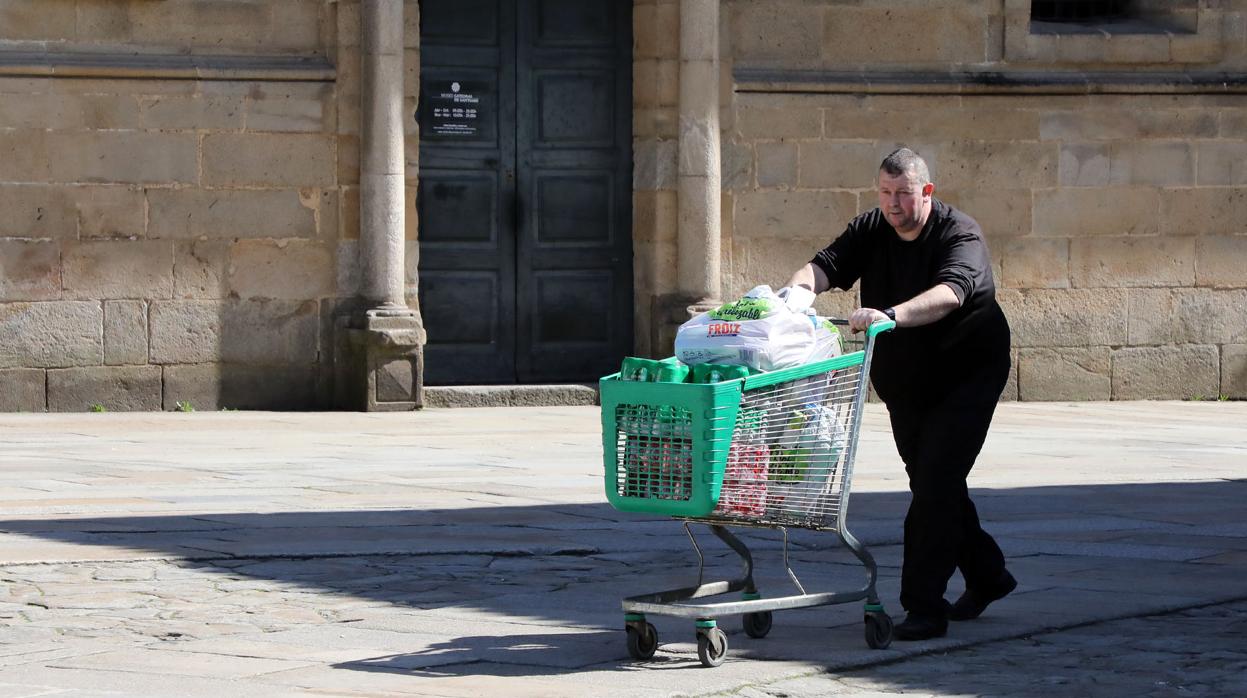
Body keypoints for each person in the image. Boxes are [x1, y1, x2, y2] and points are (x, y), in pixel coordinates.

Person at [780, 147, 1016, 641]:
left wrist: (892, 314)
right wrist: (797, 293)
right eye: (885, 193)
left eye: (903, 194)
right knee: (935, 482)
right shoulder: (872, 228)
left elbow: (952, 292)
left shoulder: (960, 232)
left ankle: (924, 607)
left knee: (935, 478)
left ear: (926, 192)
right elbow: (825, 265)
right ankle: (988, 576)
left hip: (967, 373)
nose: (893, 205)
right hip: (907, 380)